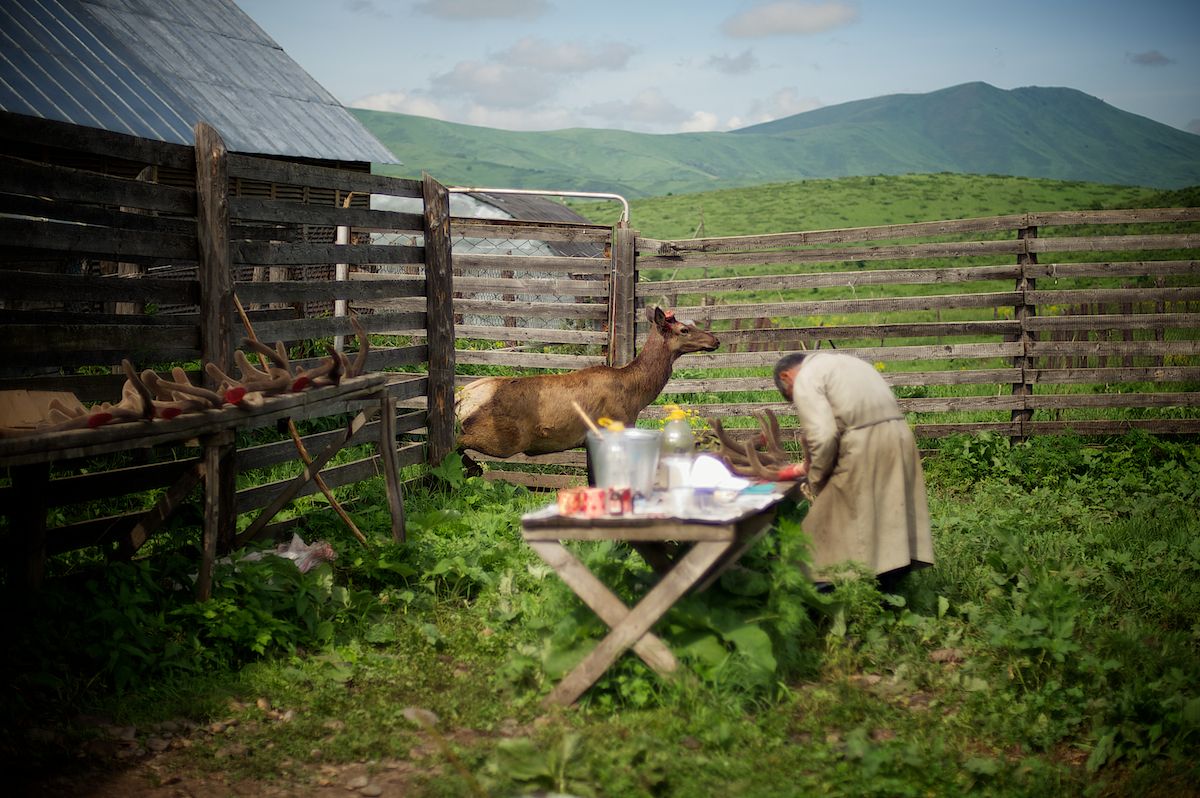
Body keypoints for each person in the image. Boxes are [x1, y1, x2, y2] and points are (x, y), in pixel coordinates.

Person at [772, 351, 934, 586]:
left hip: (862, 443)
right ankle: (889, 583)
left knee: (825, 522)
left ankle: (825, 587)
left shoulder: (806, 377)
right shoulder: (850, 363)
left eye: (791, 397)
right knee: (891, 514)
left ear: (786, 376)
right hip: (899, 437)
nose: (795, 401)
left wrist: (816, 480)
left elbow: (823, 436)